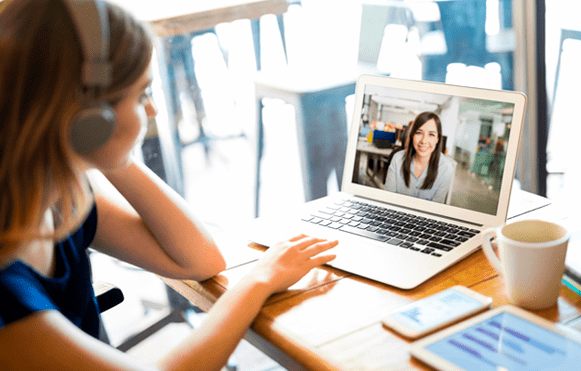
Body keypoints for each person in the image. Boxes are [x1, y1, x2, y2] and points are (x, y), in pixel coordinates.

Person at [0, 1, 337, 370]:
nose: (152, 112)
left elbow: (198, 258)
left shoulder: (60, 197)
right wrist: (259, 279)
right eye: (142, 94)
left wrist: (101, 145)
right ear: (90, 114)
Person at [384, 111, 454, 203]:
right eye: (419, 132)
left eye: (431, 134)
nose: (424, 141)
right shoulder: (398, 159)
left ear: (437, 139)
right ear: (412, 135)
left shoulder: (446, 168)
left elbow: (436, 209)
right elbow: (388, 199)